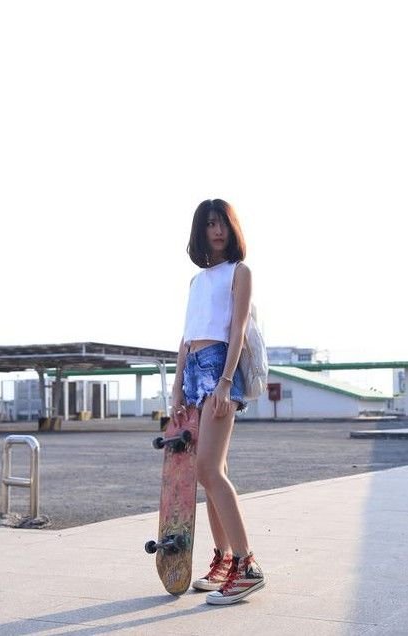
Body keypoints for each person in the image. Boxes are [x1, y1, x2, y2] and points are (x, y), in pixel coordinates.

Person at [171, 198, 265, 605]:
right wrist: (176, 387)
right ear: (201, 231)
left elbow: (238, 328)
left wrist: (226, 382)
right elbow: (186, 337)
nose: (218, 230)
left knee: (208, 469)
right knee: (211, 472)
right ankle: (225, 560)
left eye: (223, 223)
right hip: (193, 369)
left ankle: (247, 566)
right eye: (210, 224)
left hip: (219, 367)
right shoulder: (196, 282)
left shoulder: (239, 272)